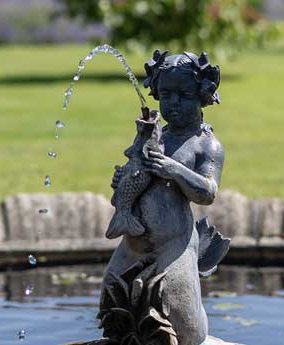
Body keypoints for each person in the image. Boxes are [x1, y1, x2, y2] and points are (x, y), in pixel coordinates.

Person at [101, 51, 224, 345]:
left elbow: (207, 192)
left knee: (178, 314)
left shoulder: (206, 144)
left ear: (203, 96)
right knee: (112, 291)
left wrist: (174, 169)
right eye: (166, 95)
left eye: (184, 95)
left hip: (174, 245)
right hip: (135, 242)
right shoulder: (155, 134)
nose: (173, 103)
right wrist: (121, 181)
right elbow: (136, 174)